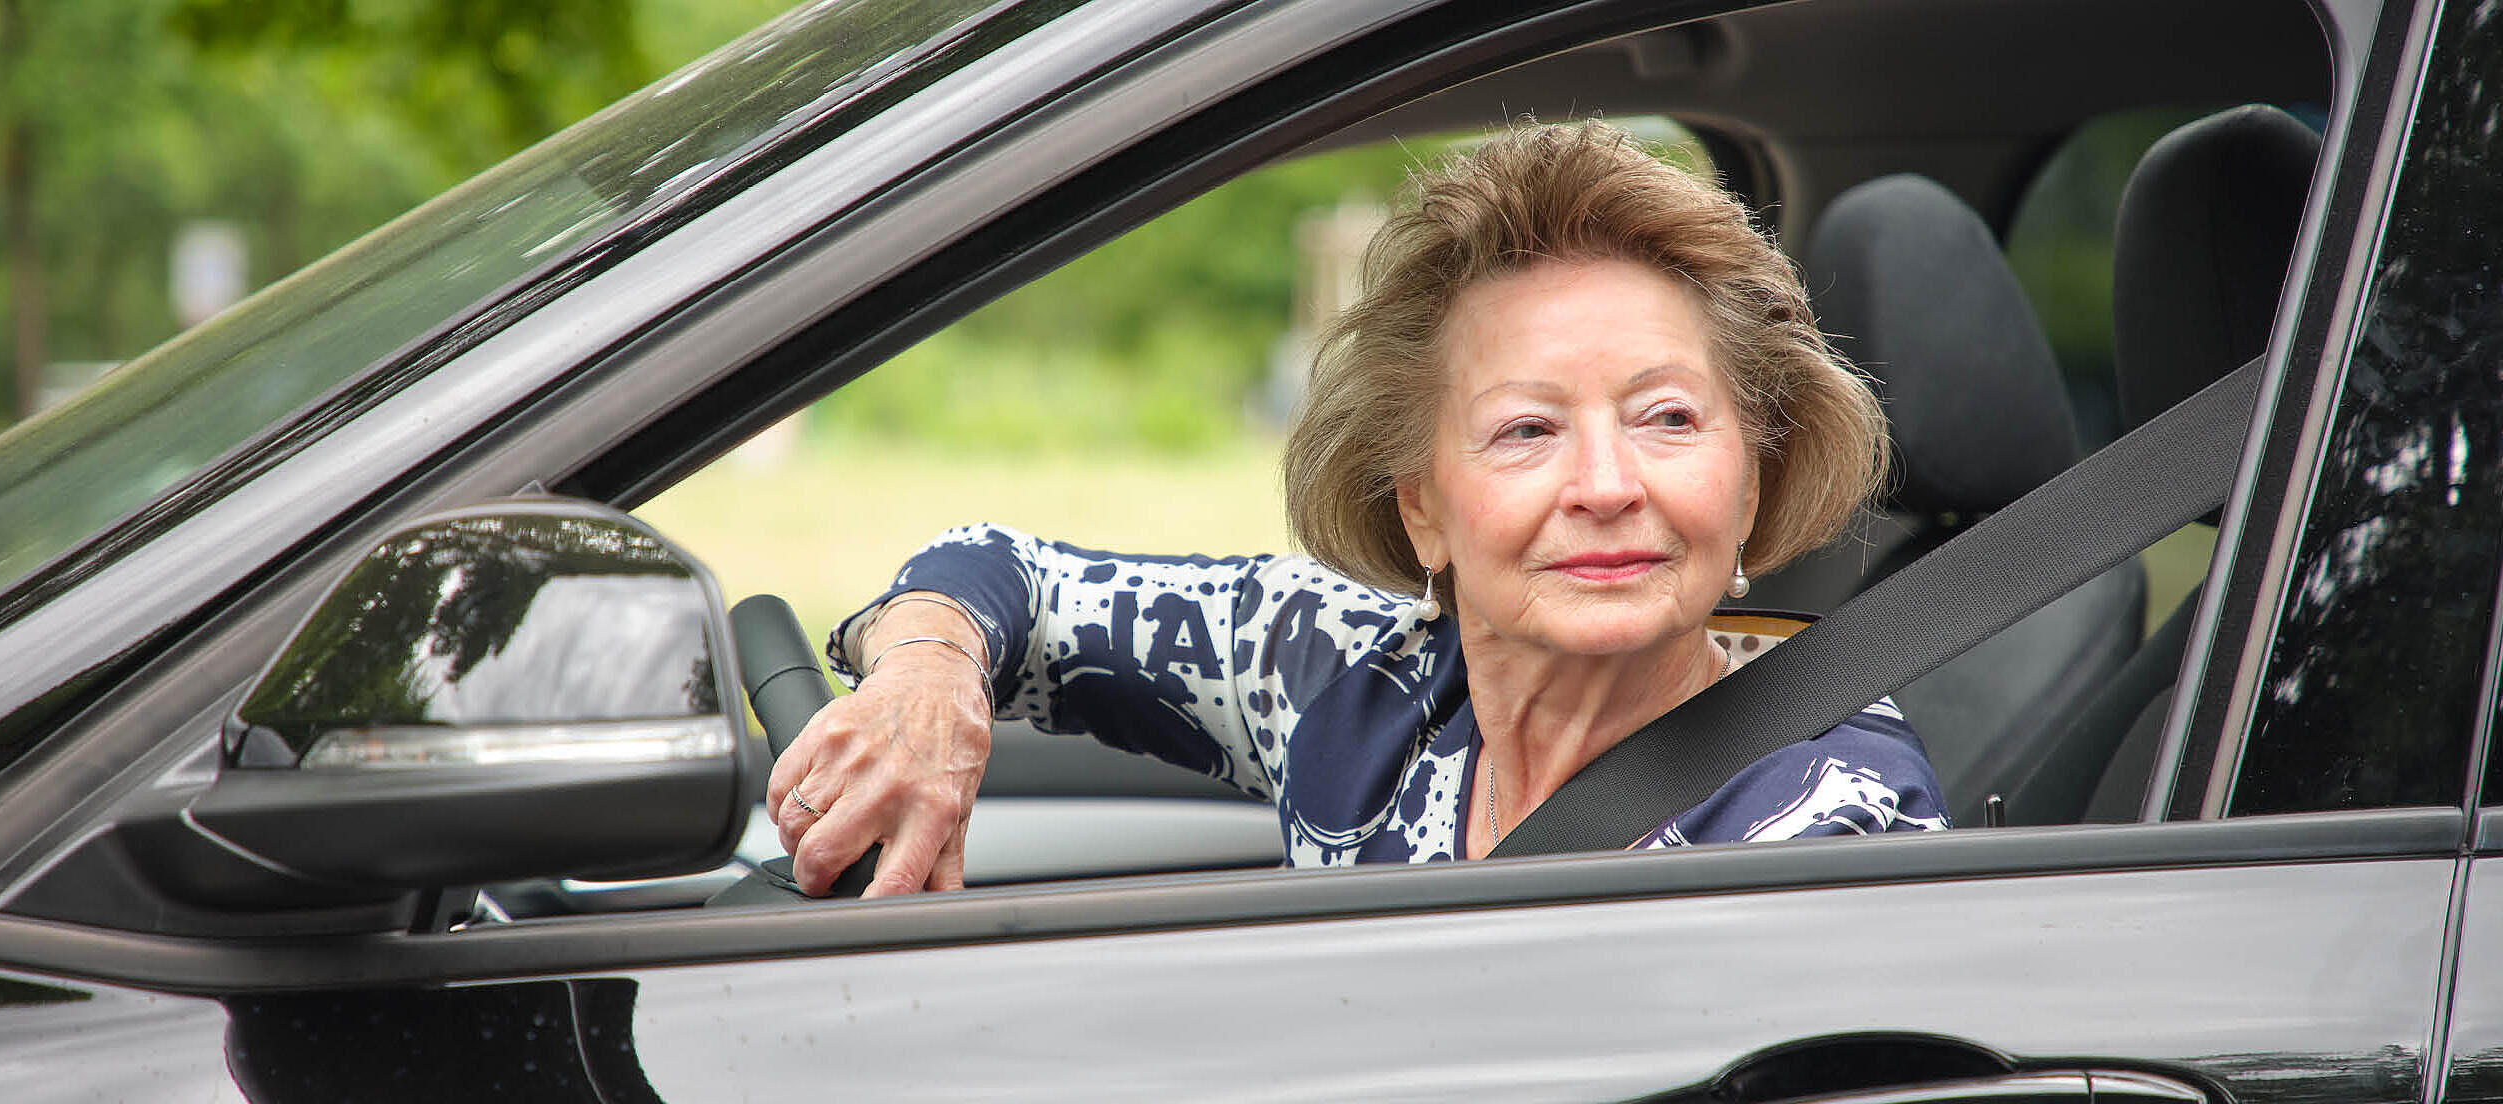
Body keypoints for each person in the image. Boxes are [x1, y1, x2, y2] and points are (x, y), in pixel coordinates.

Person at [769, 120, 1949, 898]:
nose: (1606, 484)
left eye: (1670, 420)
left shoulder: (1830, 816)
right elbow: (1005, 573)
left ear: (1752, 481)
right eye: (1527, 430)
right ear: (1423, 510)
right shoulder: (1342, 667)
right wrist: (925, 679)